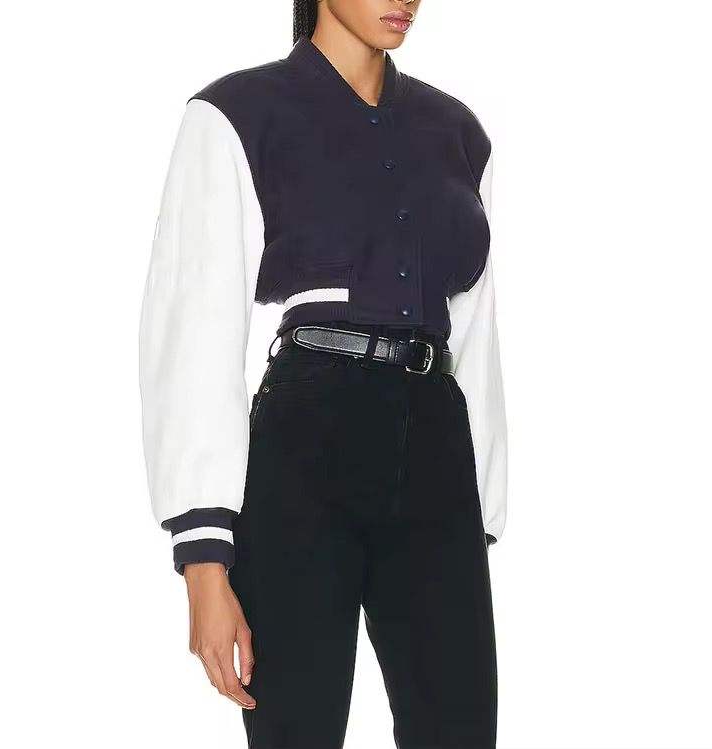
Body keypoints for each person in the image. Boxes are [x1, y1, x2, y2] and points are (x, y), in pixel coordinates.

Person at [139, 1, 507, 746]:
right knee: (296, 731)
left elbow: (474, 331)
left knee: (461, 730)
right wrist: (204, 556)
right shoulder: (238, 113)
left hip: (435, 451)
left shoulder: (458, 134)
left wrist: (481, 517)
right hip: (308, 441)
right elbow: (196, 323)